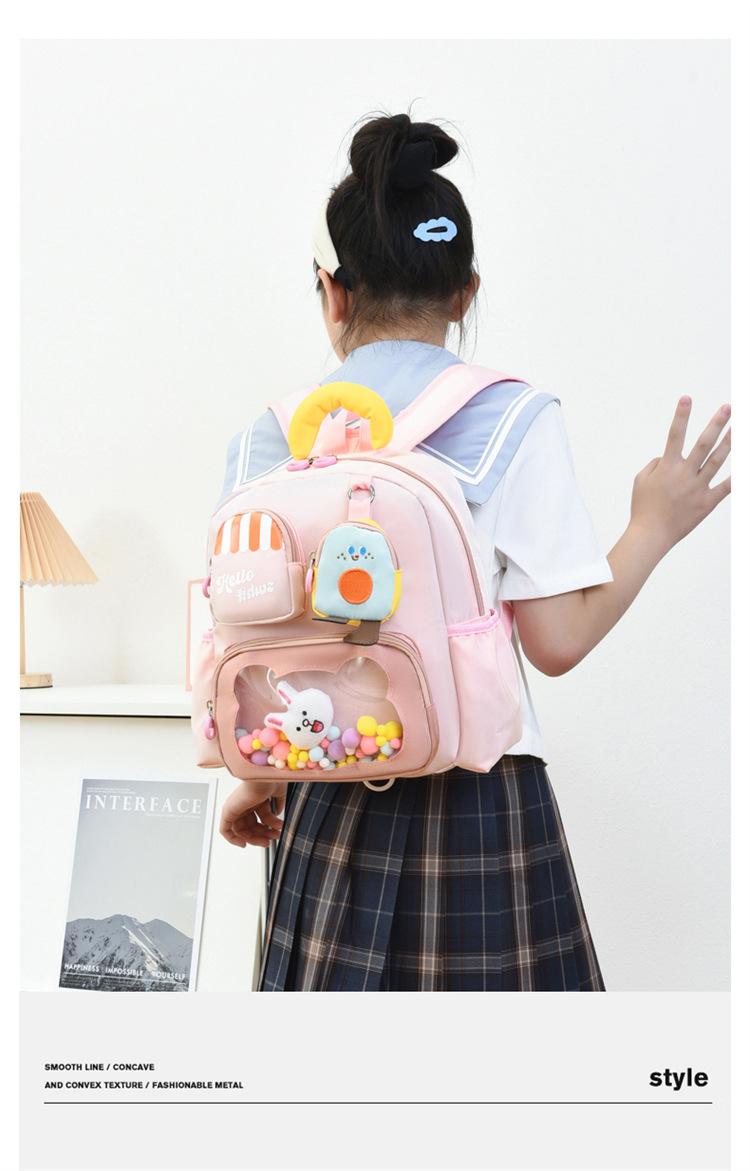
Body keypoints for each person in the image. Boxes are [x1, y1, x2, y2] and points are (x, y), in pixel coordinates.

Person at [217, 113, 730, 992]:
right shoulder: (513, 418)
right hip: (479, 803)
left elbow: (270, 642)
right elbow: (557, 643)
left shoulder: (270, 441)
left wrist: (263, 779)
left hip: (328, 790)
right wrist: (652, 524)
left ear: (332, 293)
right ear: (466, 293)